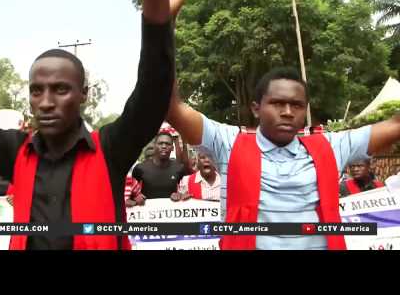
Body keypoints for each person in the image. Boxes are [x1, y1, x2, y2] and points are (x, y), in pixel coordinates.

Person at [0, 0, 193, 250]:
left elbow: (153, 93)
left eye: (60, 89)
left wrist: (158, 18)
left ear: (84, 93)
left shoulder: (111, 149)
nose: (46, 102)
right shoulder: (14, 153)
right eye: (36, 91)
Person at [167, 65, 400, 250]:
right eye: (278, 103)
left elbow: (394, 125)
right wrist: (164, 24)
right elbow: (172, 107)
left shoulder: (331, 145)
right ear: (256, 108)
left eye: (296, 105)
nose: (288, 112)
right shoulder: (228, 143)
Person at [132, 131, 188, 199]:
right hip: (147, 209)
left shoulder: (179, 168)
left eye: (167, 144)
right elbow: (130, 194)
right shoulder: (140, 168)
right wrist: (136, 198)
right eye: (160, 143)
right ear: (154, 146)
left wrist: (180, 194)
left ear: (172, 148)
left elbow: (184, 191)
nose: (164, 146)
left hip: (171, 208)